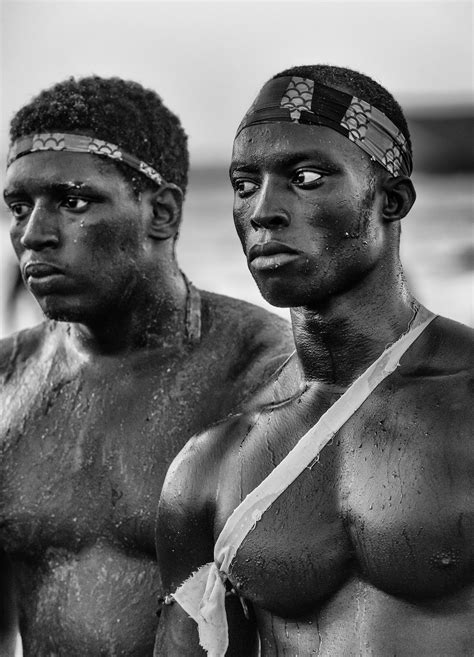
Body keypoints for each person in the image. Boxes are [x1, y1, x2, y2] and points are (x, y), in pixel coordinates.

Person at [156, 64, 474, 656]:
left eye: (305, 177)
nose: (262, 211)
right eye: (245, 183)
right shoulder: (214, 465)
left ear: (392, 199)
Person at [0, 76, 295, 657]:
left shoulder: (267, 373)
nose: (33, 235)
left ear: (161, 212)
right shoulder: (6, 381)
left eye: (73, 201)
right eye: (17, 206)